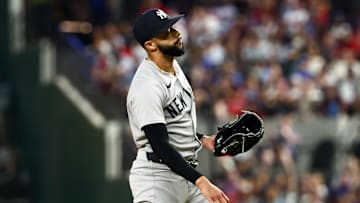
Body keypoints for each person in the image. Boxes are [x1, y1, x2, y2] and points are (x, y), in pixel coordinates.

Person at [126, 8, 230, 203]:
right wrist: (201, 181)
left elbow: (172, 123)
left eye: (173, 28)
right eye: (167, 33)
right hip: (157, 178)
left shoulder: (172, 65)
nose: (177, 34)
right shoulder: (147, 86)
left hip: (183, 170)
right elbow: (160, 145)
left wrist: (202, 139)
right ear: (150, 45)